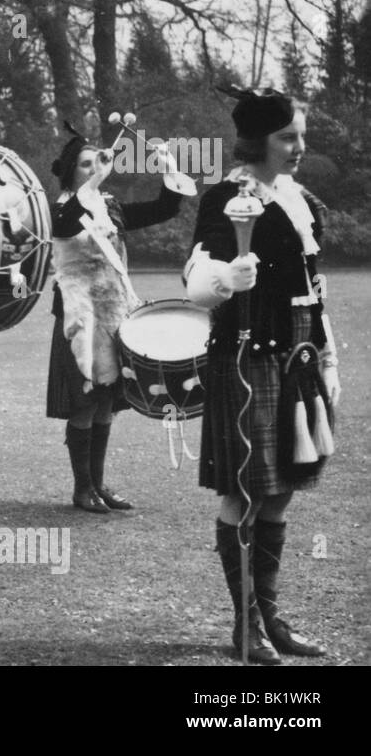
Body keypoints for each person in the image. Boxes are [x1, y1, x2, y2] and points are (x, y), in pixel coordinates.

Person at [184, 86, 338, 664]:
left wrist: (328, 358)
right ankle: (244, 623)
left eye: (300, 135)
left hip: (298, 359)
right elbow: (196, 280)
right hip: (247, 359)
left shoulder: (303, 202)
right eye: (287, 137)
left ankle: (269, 615)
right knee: (246, 492)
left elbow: (314, 291)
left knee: (282, 493)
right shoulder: (228, 196)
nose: (298, 147)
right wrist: (228, 275)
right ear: (258, 142)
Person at [46, 125, 195, 512]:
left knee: (105, 402)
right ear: (70, 172)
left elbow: (165, 208)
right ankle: (82, 490)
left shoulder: (109, 208)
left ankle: (97, 485)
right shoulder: (61, 207)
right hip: (79, 318)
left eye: (97, 161)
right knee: (84, 402)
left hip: (114, 314)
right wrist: (95, 181)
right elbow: (64, 226)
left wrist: (168, 168)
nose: (95, 167)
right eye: (85, 164)